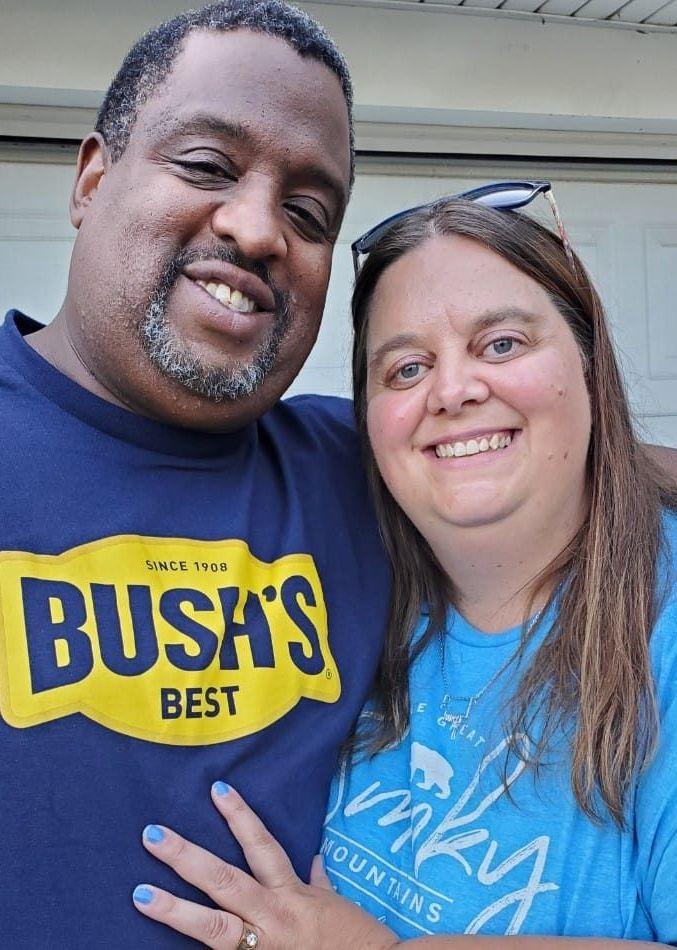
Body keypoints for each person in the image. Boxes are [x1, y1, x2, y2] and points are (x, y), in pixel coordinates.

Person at [132, 185, 677, 948]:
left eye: (501, 345)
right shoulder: (344, 572)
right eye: (407, 368)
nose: (451, 391)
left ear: (588, 363)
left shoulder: (660, 633)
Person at [0, 2, 391, 947]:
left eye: (307, 213)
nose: (257, 230)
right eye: (208, 165)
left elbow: (576, 456)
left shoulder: (371, 468)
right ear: (93, 179)